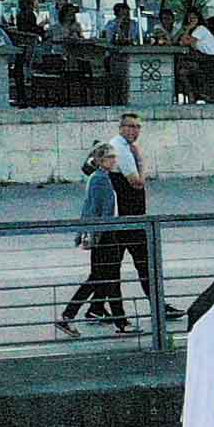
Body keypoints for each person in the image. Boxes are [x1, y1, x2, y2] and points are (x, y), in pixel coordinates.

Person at [59, 141, 132, 336]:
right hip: (106, 235)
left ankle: (71, 316)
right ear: (100, 160)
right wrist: (93, 234)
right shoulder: (100, 179)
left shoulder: (100, 177)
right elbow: (96, 209)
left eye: (114, 156)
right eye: (110, 157)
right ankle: (121, 323)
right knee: (108, 278)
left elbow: (89, 207)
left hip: (104, 234)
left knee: (101, 278)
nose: (114, 160)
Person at [107, 111, 157, 310]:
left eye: (137, 127)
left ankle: (95, 307)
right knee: (144, 262)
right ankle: (158, 305)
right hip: (129, 218)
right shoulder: (123, 149)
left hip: (126, 217)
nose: (134, 130)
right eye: (129, 126)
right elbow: (136, 182)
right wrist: (142, 164)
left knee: (109, 267)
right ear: (121, 128)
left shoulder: (123, 147)